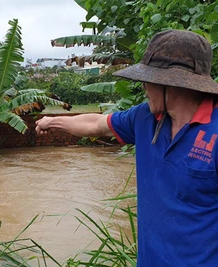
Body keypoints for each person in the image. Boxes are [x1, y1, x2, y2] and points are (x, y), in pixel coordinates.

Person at [35, 29, 218, 266]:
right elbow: (97, 124)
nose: (143, 87)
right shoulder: (144, 118)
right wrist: (53, 121)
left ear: (170, 85)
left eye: (147, 80)